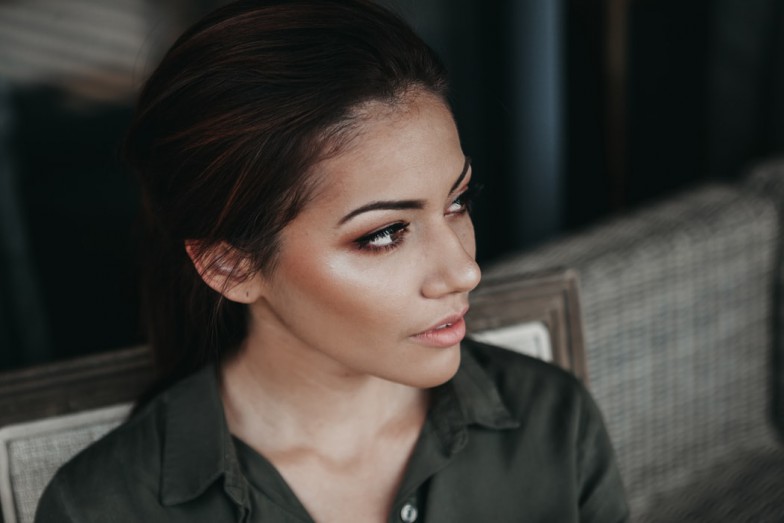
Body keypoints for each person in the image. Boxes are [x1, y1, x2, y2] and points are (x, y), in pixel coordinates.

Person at [35, 1, 630, 521]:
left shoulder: (552, 421)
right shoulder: (104, 508)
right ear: (229, 267)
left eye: (457, 201)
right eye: (384, 234)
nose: (464, 271)